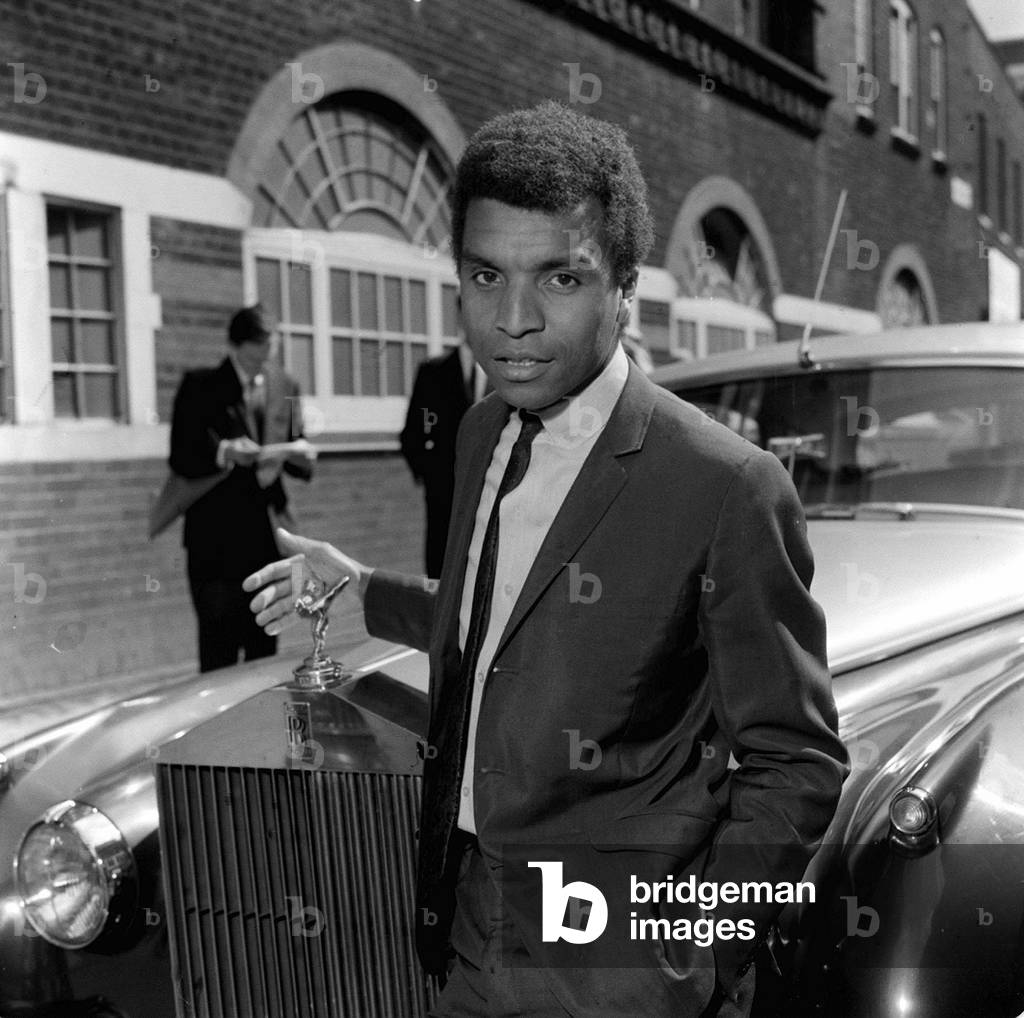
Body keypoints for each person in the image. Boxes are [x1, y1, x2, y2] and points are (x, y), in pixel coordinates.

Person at [243, 102, 847, 1017]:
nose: (513, 319)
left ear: (625, 286)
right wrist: (363, 591)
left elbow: (797, 763)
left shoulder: (728, 485)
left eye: (560, 278)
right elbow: (512, 618)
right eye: (485, 275)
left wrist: (691, 957)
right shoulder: (483, 429)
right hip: (462, 921)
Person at [170, 304, 315, 673]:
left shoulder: (287, 386)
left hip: (267, 539)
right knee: (218, 655)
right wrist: (224, 451)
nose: (265, 355)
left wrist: (295, 456)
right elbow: (181, 457)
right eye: (257, 346)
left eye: (271, 345)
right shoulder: (199, 387)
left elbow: (301, 454)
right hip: (215, 546)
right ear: (235, 345)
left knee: (264, 651)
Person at [400, 336, 486, 577]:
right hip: (444, 494)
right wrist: (429, 473)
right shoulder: (434, 371)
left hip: (490, 492)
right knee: (442, 571)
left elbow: (295, 430)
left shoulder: (501, 369)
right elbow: (417, 428)